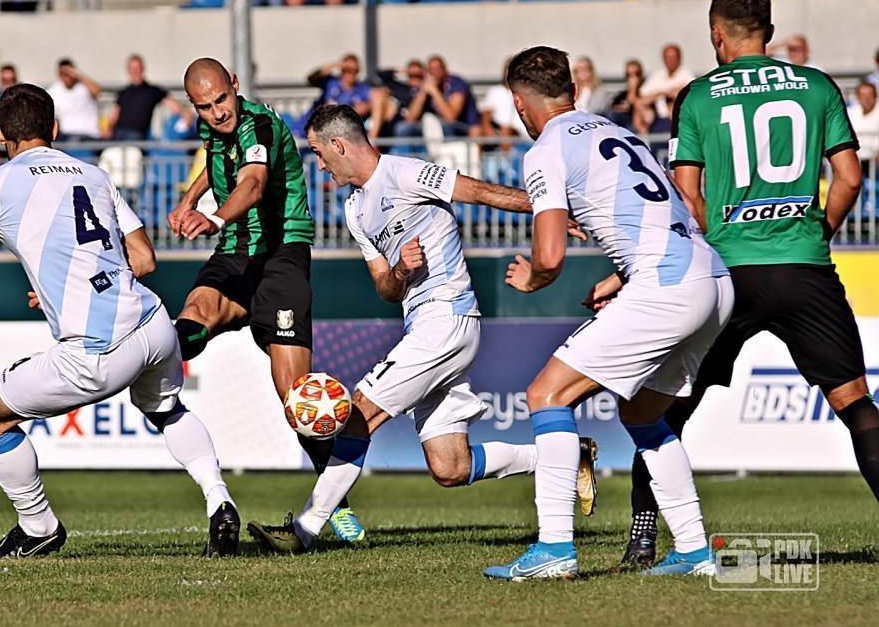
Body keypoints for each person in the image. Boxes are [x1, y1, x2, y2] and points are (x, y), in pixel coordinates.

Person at [0, 84, 238, 558]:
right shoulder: (94, 174)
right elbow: (143, 259)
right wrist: (81, 281)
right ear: (54, 128)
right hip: (154, 322)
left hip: (98, 348)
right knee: (166, 410)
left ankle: (38, 528)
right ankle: (219, 500)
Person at [245, 105, 592, 553]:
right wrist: (400, 271)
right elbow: (385, 288)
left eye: (317, 152)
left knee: (358, 414)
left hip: (446, 317)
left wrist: (549, 211)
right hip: (425, 325)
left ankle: (304, 531)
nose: (320, 165)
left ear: (338, 145)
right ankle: (567, 455)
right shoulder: (355, 210)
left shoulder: (404, 173)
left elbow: (479, 191)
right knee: (450, 467)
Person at [623, 0, 876, 567]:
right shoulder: (817, 85)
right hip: (804, 266)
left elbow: (687, 194)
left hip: (728, 273)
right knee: (855, 403)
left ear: (717, 34)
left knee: (666, 408)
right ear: (770, 29)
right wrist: (815, 233)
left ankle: (643, 536)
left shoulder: (697, 96)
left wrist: (717, 242)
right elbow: (849, 179)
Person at [483, 46, 733, 580]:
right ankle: (694, 551)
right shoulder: (618, 132)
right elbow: (684, 215)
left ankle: (554, 549)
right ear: (573, 91)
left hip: (666, 285)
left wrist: (534, 277)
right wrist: (622, 277)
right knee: (642, 414)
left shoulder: (546, 148)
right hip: (712, 278)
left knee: (546, 396)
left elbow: (550, 255)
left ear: (519, 103)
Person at [166, 58, 366, 543]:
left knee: (296, 397)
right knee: (191, 319)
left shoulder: (259, 125)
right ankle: (140, 370)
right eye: (205, 106)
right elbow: (218, 161)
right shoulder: (214, 127)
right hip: (236, 252)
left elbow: (252, 184)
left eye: (222, 100)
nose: (217, 112)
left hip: (280, 255)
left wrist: (214, 217)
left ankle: (335, 503)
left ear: (235, 86)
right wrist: (190, 198)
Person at [393, 55, 480, 152]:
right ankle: (406, 159)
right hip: (433, 128)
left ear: (445, 69)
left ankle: (443, 158)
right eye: (431, 70)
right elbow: (410, 119)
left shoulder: (457, 84)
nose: (435, 72)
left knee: (445, 126)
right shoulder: (425, 85)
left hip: (461, 128)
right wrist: (423, 93)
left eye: (438, 68)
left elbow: (451, 118)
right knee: (403, 128)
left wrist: (434, 91)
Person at [104, 54, 192, 141]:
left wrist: (185, 112)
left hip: (137, 134)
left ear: (142, 69)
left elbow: (174, 105)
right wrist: (108, 129)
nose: (135, 71)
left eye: (137, 68)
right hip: (119, 132)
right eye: (132, 68)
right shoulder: (123, 93)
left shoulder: (152, 91)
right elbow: (114, 115)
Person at [300, 54, 373, 134]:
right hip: (311, 126)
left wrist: (368, 107)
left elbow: (375, 102)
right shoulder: (330, 82)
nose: (351, 73)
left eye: (354, 70)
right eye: (347, 69)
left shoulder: (362, 89)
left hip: (338, 132)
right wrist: (334, 65)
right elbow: (311, 79)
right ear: (341, 69)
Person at [635, 44, 694, 134]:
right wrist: (662, 93)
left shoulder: (686, 75)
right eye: (667, 57)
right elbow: (642, 96)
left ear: (679, 58)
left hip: (677, 119)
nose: (670, 60)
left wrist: (667, 94)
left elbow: (690, 96)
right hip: (656, 118)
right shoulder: (657, 75)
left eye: (673, 57)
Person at [47, 58, 101, 140]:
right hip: (66, 136)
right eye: (64, 74)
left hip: (88, 135)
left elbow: (97, 91)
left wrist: (79, 75)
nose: (67, 77)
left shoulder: (84, 87)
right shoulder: (54, 91)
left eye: (69, 74)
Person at [848, 80, 879, 171]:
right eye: (863, 95)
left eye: (870, 95)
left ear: (875, 96)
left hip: (875, 163)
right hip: (854, 160)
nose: (866, 99)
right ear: (858, 97)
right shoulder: (851, 112)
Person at [609, 59, 645, 132]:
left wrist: (633, 89)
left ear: (641, 75)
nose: (632, 78)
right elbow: (613, 108)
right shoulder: (622, 95)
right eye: (629, 75)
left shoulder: (646, 91)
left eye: (636, 74)